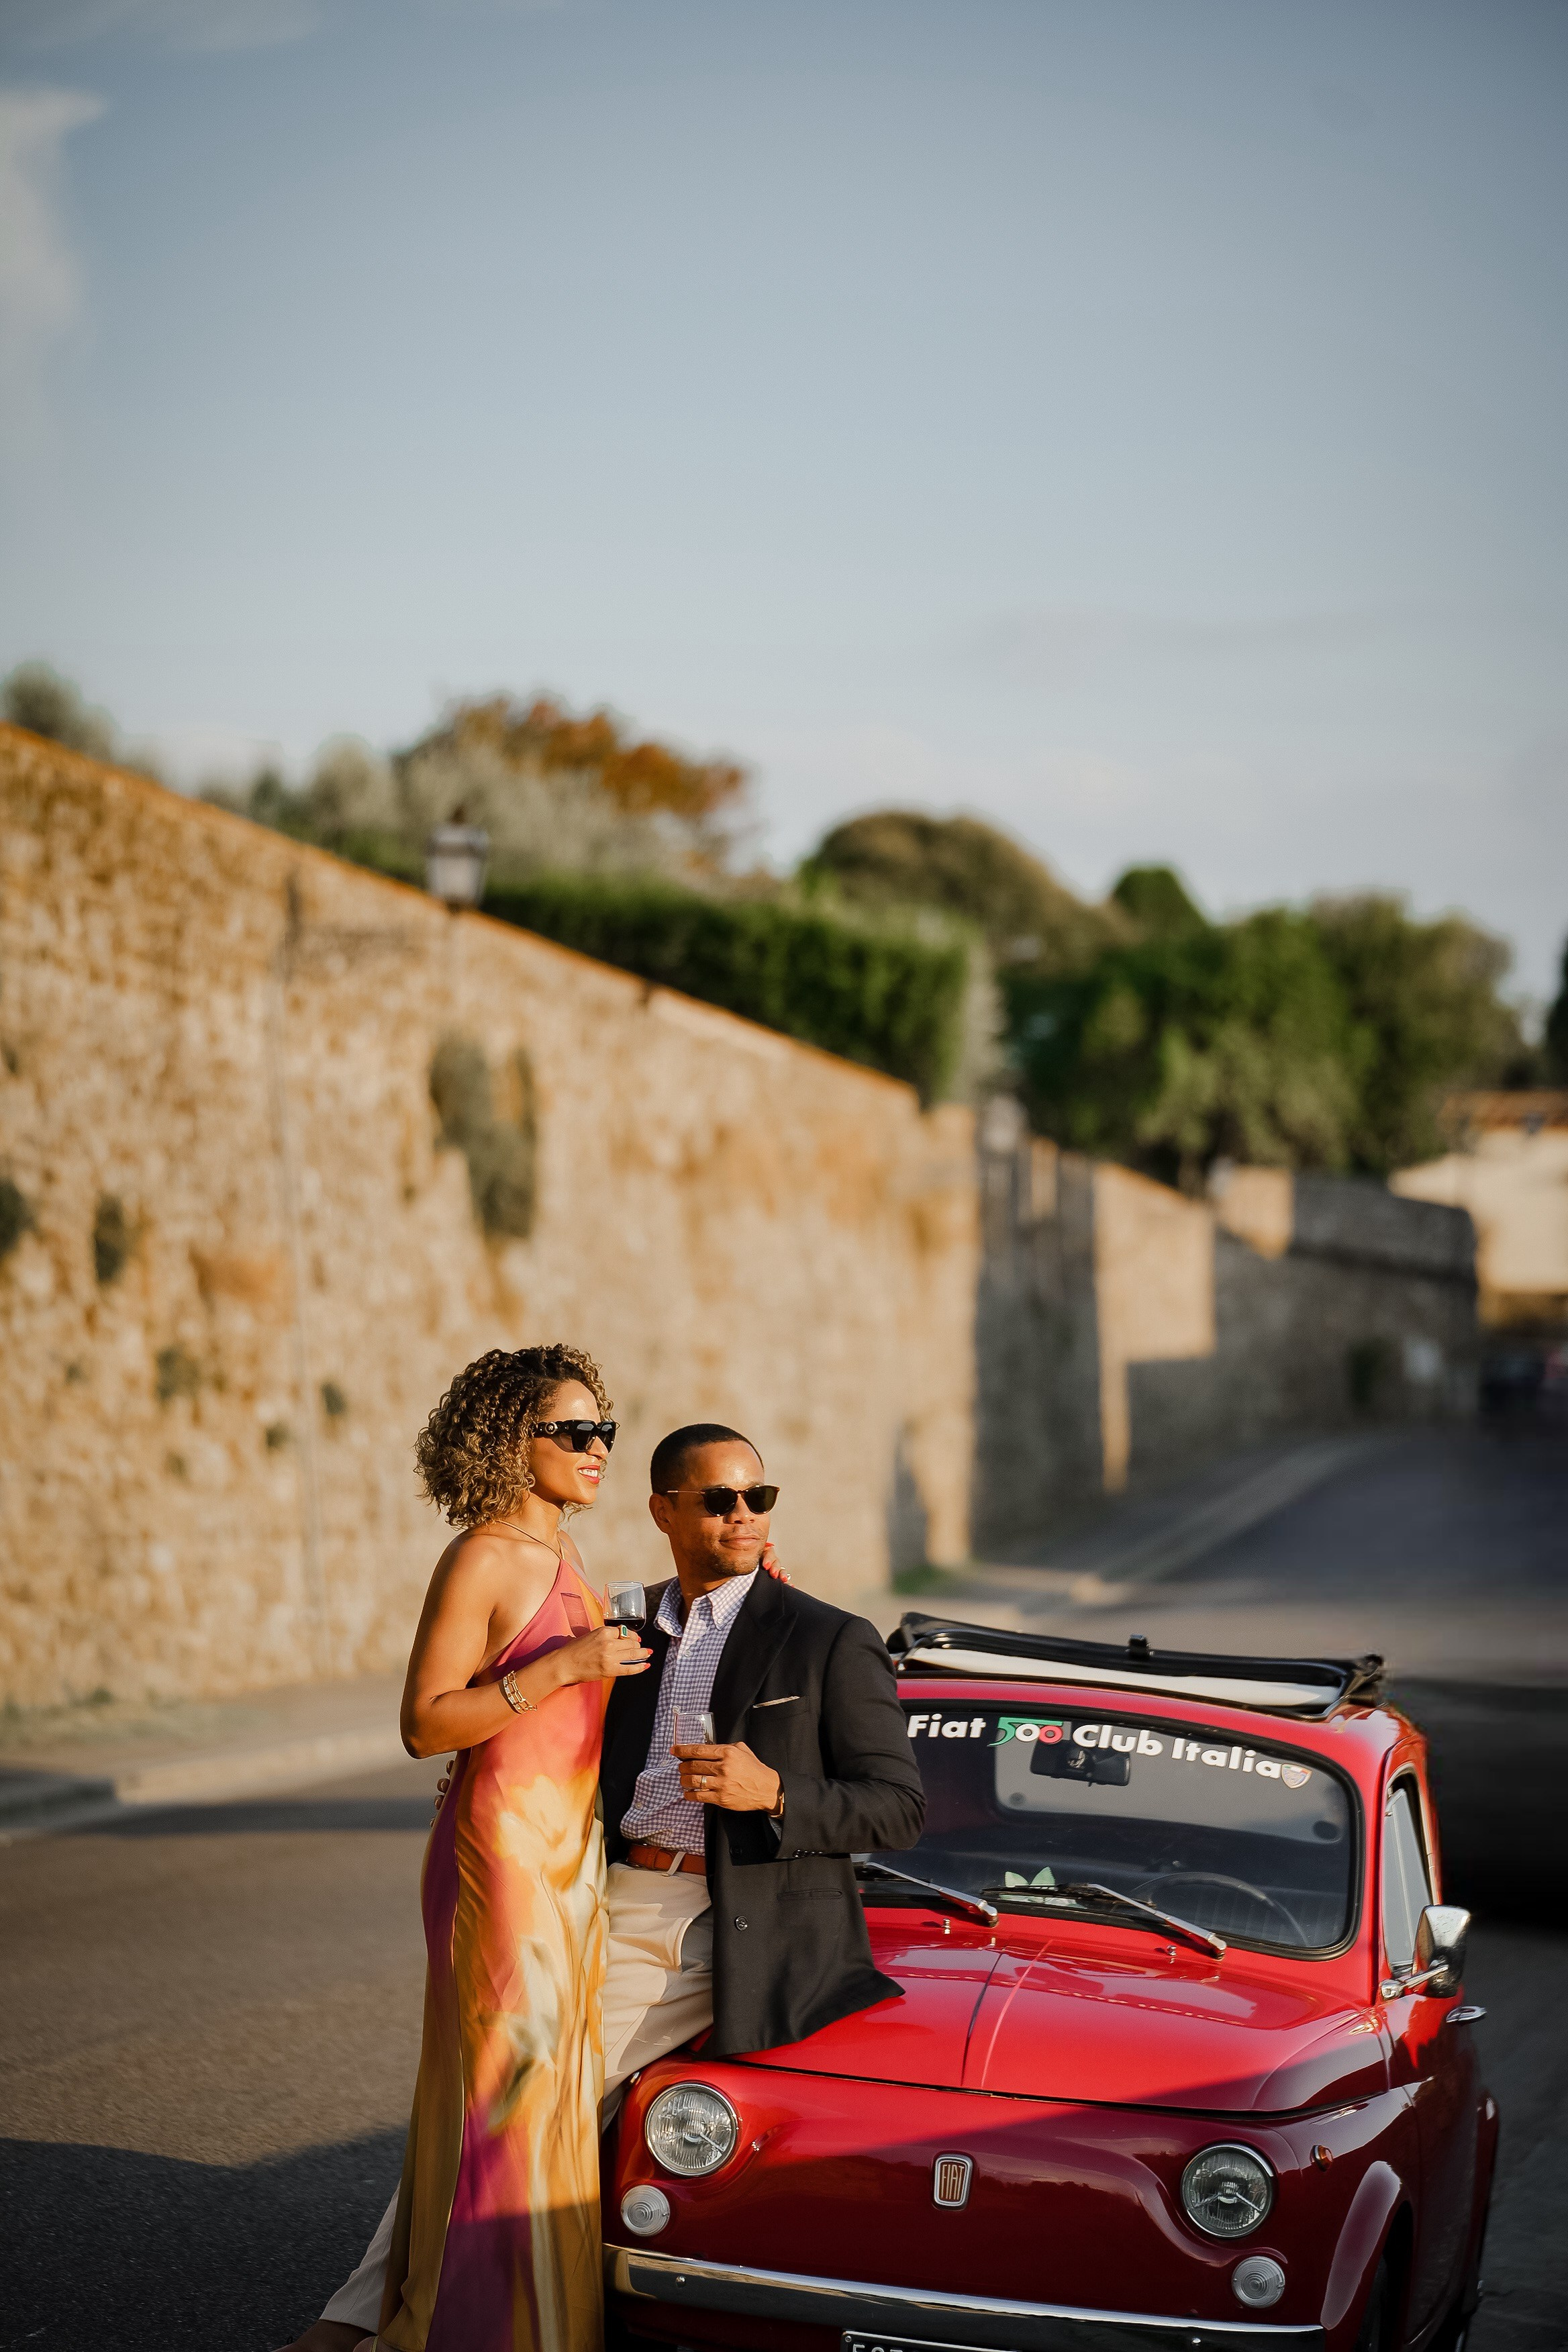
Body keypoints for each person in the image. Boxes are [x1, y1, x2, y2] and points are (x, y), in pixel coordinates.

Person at [289, 1420, 924, 2350]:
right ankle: (392, 2314)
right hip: (604, 1897)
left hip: (734, 1918)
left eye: (760, 1498)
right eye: (719, 1499)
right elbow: (553, 1737)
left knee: (517, 2102)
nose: (744, 1516)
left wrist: (775, 1790)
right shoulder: (622, 1629)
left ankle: (360, 2327)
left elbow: (897, 1805)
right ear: (664, 1510)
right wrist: (472, 1774)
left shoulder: (827, 1637)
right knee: (501, 2098)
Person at [279, 1342, 651, 2352]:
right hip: (502, 1855)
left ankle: (533, 2319)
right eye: (572, 1432)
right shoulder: (483, 1556)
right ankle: (472, 2327)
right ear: (509, 1441)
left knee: (552, 2089)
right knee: (509, 2088)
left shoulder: (573, 1558)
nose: (596, 1448)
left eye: (603, 1430)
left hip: (572, 1855)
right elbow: (425, 1722)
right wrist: (562, 1666)